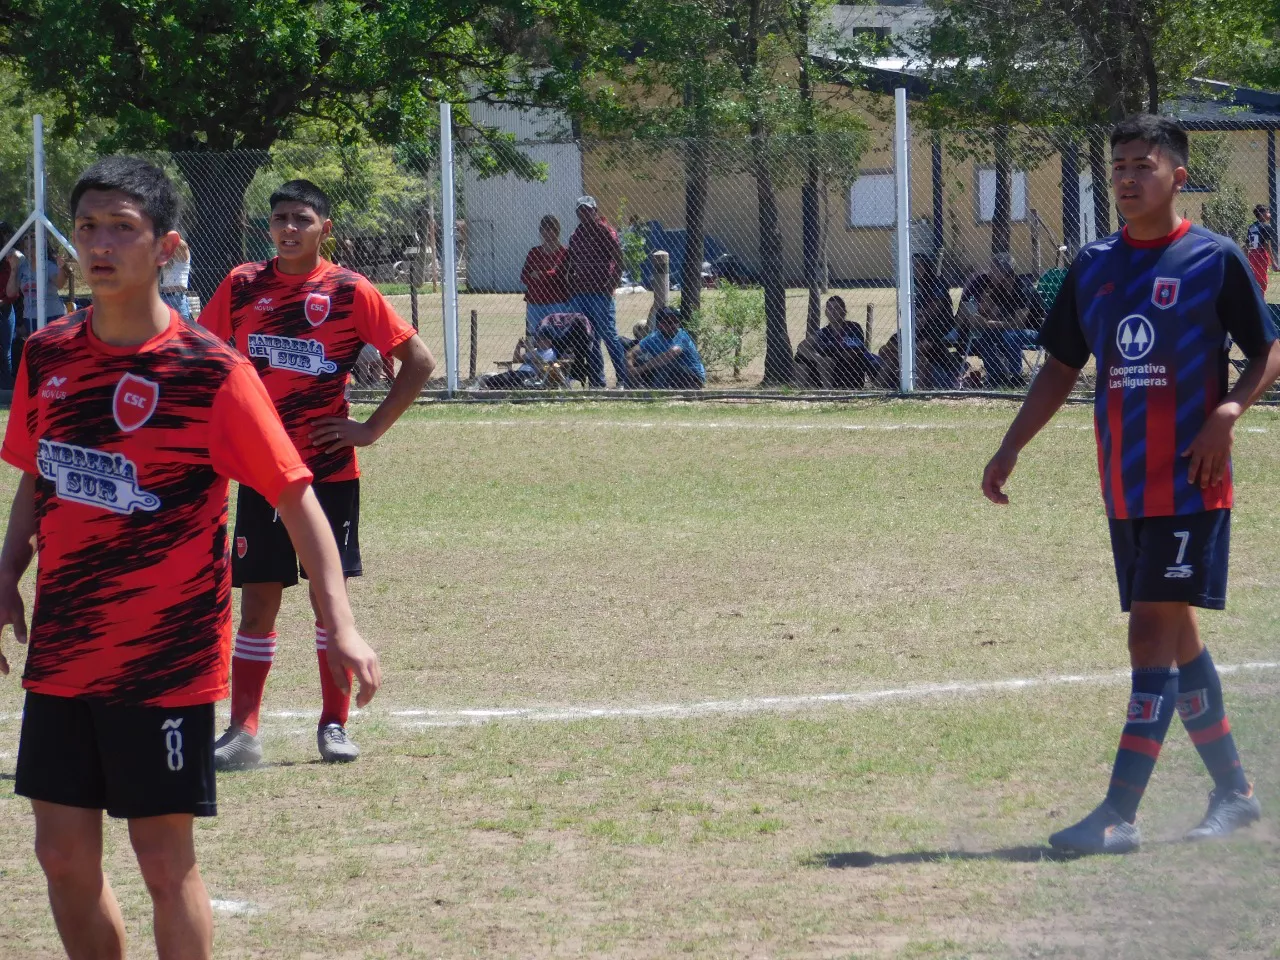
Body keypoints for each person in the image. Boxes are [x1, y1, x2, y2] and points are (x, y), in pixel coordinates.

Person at [0, 156, 381, 960]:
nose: (100, 244)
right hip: (65, 648)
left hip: (164, 655)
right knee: (61, 857)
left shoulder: (210, 371)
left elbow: (295, 497)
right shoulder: (48, 355)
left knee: (164, 865)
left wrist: (340, 623)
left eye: (122, 229)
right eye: (89, 227)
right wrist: (7, 569)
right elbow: (39, 472)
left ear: (166, 245)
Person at [982, 114, 1280, 856]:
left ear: (1179, 176)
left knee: (1149, 629)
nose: (1126, 178)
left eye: (1142, 165)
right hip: (1125, 484)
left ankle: (1119, 814)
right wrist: (1011, 444)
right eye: (1117, 166)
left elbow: (1269, 348)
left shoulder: (1213, 259)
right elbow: (1059, 366)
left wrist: (1229, 411)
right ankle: (1237, 793)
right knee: (1177, 638)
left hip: (1191, 484)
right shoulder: (1094, 264)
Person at [200, 179, 435, 769]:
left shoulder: (348, 290)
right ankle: (242, 730)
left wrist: (370, 428)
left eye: (302, 219)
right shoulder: (241, 285)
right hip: (260, 471)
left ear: (324, 228)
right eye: (280, 218)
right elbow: (202, 354)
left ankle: (334, 725)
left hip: (327, 471)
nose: (289, 228)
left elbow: (419, 361)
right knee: (258, 602)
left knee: (331, 606)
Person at [564, 196, 631, 388]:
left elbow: (619, 260)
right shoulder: (576, 235)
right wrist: (572, 288)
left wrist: (610, 285)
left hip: (601, 294)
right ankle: (597, 381)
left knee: (609, 336)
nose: (584, 214)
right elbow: (570, 263)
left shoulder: (606, 231)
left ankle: (623, 380)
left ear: (595, 210)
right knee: (589, 339)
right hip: (581, 294)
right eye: (580, 211)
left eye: (588, 210)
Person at [958, 253, 1042, 388]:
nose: (989, 273)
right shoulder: (998, 288)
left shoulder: (1022, 287)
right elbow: (986, 312)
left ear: (1005, 272)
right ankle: (997, 376)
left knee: (1010, 336)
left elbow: (1019, 323)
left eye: (993, 270)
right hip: (1009, 329)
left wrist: (990, 323)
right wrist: (979, 318)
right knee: (984, 338)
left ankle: (1016, 377)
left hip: (1036, 330)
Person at [802, 295, 881, 389]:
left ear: (844, 311)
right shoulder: (823, 332)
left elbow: (852, 353)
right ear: (826, 312)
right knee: (801, 357)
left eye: (836, 308)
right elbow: (802, 347)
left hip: (851, 369)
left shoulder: (853, 327)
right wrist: (819, 358)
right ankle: (803, 388)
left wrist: (831, 352)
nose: (833, 312)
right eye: (830, 308)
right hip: (830, 367)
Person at [6, 233, 70, 345]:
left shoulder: (48, 265)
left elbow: (59, 284)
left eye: (32, 246)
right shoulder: (22, 267)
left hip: (52, 316)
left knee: (53, 354)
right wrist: (14, 269)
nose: (29, 251)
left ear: (42, 246)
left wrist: (61, 269)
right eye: (26, 248)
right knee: (37, 355)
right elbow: (11, 293)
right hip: (30, 319)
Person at [626, 306, 706, 389]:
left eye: (676, 321)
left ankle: (656, 391)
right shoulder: (654, 337)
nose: (673, 325)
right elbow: (631, 352)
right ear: (659, 324)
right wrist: (631, 368)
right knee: (640, 359)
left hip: (692, 376)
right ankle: (633, 387)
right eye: (668, 322)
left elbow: (669, 355)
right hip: (669, 375)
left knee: (666, 363)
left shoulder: (682, 335)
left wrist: (639, 369)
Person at [520, 214, 568, 336]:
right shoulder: (534, 252)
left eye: (551, 230)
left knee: (557, 335)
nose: (547, 233)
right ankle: (534, 354)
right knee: (534, 335)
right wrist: (546, 275)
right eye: (544, 229)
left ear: (557, 231)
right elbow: (524, 276)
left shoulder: (564, 253)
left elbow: (559, 276)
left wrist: (539, 275)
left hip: (556, 301)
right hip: (535, 301)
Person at [480, 331, 559, 390]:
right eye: (537, 339)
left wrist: (529, 350)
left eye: (539, 339)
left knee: (513, 380)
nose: (537, 341)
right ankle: (489, 386)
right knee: (498, 378)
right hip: (519, 371)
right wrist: (518, 347)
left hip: (531, 375)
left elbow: (543, 366)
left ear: (548, 341)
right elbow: (516, 359)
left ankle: (498, 389)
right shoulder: (535, 350)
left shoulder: (550, 353)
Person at [159, 237, 193, 321]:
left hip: (177, 298)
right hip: (161, 297)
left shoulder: (182, 251)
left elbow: (180, 243)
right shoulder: (162, 258)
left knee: (182, 329)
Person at [0, 221, 17, 388]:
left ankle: (6, 389)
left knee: (5, 352)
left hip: (4, 310)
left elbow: (12, 294)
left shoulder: (11, 258)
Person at [1245, 203, 1274, 294]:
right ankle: (1260, 301)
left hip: (1252, 254)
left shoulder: (1251, 226)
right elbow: (1266, 244)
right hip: (1261, 254)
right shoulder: (1266, 226)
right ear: (1261, 214)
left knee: (1255, 278)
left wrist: (1246, 258)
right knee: (1262, 281)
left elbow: (1247, 244)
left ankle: (1254, 298)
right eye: (1268, 212)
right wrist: (1273, 262)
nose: (1270, 214)